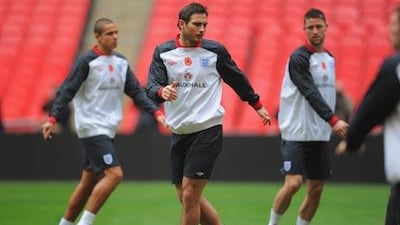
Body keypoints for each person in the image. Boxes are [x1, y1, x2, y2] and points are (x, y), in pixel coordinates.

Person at [145, 2, 271, 225]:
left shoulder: (215, 52)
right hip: (179, 130)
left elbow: (237, 78)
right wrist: (161, 91)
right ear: (181, 24)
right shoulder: (163, 52)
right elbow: (151, 86)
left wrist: (256, 103)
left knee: (190, 196)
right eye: (197, 24)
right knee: (185, 197)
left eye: (205, 24)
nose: (202, 29)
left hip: (207, 130)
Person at [41, 18, 166, 225]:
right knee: (114, 175)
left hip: (107, 128)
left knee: (87, 183)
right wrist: (52, 117)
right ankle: (85, 223)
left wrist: (156, 113)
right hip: (91, 127)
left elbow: (136, 92)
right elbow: (66, 90)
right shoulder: (86, 61)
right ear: (97, 37)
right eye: (109, 33)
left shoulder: (120, 62)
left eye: (116, 33)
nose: (115, 37)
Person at [266, 8, 349, 225]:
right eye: (310, 27)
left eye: (318, 26)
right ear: (304, 29)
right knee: (293, 183)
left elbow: (327, 95)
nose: (315, 31)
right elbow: (310, 92)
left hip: (319, 134)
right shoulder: (299, 58)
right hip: (296, 131)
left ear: (326, 27)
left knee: (316, 188)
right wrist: (333, 119)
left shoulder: (329, 58)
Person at [335, 6, 400, 225]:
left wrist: (352, 140)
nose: (391, 30)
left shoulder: (396, 67)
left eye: (395, 24)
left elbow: (371, 110)